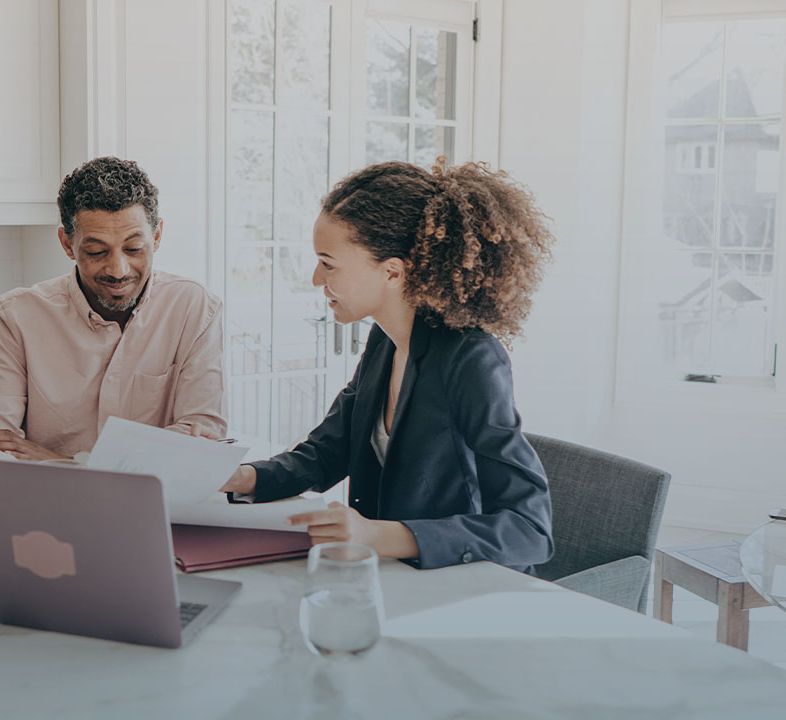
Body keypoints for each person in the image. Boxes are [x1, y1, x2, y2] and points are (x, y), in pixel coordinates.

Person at [221, 160, 555, 572]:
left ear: (392, 271)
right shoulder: (385, 340)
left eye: (328, 263)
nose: (314, 279)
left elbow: (529, 529)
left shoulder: (470, 359)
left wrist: (380, 537)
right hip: (393, 579)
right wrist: (238, 478)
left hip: (462, 586)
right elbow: (327, 453)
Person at [0, 156, 225, 461]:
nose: (118, 269)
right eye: (96, 251)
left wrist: (65, 462)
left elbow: (202, 439)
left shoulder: (195, 309)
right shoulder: (14, 318)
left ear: (156, 237)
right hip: (45, 505)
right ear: (67, 244)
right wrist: (151, 452)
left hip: (155, 506)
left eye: (133, 249)